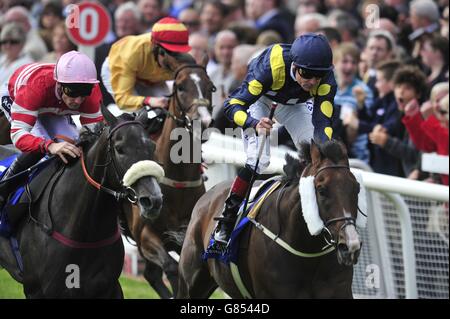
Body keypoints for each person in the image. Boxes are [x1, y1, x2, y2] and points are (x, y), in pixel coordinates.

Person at [213, 33, 337, 244]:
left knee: (317, 153)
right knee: (259, 159)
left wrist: (322, 152)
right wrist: (254, 123)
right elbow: (231, 105)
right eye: (307, 74)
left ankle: (316, 216)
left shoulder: (325, 80)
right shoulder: (270, 66)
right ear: (295, 66)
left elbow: (323, 123)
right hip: (260, 101)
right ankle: (227, 218)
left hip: (295, 105)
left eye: (318, 76)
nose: (312, 81)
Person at [0, 51, 103, 207]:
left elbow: (96, 134)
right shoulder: (35, 87)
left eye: (84, 94)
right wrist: (50, 146)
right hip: (18, 95)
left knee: (72, 148)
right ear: (60, 85)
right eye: (73, 92)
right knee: (41, 150)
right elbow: (19, 136)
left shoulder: (92, 92)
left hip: (53, 106)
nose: (78, 100)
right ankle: (4, 190)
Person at [101, 17, 191, 111]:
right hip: (117, 68)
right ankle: (113, 112)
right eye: (171, 52)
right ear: (156, 48)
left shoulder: (186, 60)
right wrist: (148, 101)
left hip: (151, 76)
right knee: (137, 113)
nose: (174, 59)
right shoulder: (131, 54)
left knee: (169, 109)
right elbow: (123, 100)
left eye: (178, 53)